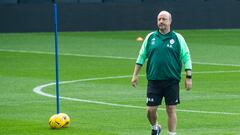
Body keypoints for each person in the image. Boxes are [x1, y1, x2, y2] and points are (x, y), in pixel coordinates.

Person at [131, 11, 192, 135]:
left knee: (171, 109)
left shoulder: (177, 38)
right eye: (159, 19)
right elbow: (141, 56)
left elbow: (186, 57)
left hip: (171, 80)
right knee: (150, 110)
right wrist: (135, 75)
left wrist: (188, 76)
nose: (161, 22)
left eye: (164, 19)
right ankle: (155, 127)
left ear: (170, 21)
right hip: (154, 80)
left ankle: (172, 133)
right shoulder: (150, 37)